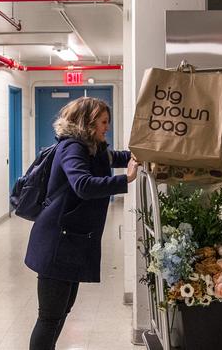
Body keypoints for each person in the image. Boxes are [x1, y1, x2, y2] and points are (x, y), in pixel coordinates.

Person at [25, 97, 138, 350]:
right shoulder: (73, 147)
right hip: (57, 243)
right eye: (103, 122)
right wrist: (126, 180)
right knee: (49, 317)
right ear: (88, 122)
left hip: (70, 240)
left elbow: (115, 156)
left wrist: (143, 154)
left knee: (61, 311)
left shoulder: (91, 147)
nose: (107, 127)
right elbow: (83, 185)